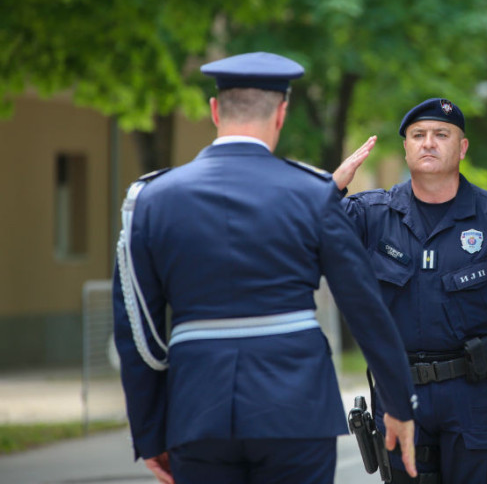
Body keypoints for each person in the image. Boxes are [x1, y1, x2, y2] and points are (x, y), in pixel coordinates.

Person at [112, 52, 418, 484]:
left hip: (197, 412)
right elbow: (366, 308)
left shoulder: (151, 199)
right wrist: (398, 406)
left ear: (216, 110)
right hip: (297, 411)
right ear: (282, 114)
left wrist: (149, 431)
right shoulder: (312, 193)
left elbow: (137, 332)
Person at [333, 98, 487, 484]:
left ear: (462, 148)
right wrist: (333, 185)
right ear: (405, 147)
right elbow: (301, 233)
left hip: (472, 396)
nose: (428, 143)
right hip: (399, 395)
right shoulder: (372, 216)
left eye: (441, 134)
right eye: (418, 135)